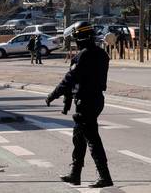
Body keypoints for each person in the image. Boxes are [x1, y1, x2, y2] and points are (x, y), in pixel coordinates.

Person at [45, 21, 113, 188]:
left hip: (86, 102)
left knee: (92, 139)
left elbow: (70, 79)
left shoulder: (82, 56)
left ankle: (105, 177)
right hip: (96, 99)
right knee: (79, 138)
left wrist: (53, 95)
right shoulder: (102, 54)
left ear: (80, 38)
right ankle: (75, 174)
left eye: (76, 38)